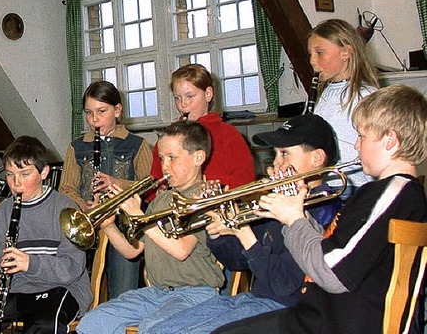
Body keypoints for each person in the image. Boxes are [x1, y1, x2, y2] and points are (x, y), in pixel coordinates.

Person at [213, 84, 427, 334]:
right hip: (327, 317)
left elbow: (333, 273)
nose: (356, 146)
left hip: (336, 323)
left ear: (390, 140)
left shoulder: (387, 195)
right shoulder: (402, 195)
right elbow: (332, 251)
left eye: (362, 136)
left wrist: (294, 220)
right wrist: (298, 213)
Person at [145, 114, 341, 334]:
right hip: (252, 299)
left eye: (285, 153)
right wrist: (218, 231)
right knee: (157, 330)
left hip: (287, 309)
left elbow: (282, 284)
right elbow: (237, 261)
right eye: (275, 154)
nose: (275, 163)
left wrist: (244, 233)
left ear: (317, 159)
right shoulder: (277, 202)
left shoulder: (323, 212)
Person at [76, 120, 225, 334]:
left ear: (198, 157)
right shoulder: (160, 201)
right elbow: (132, 251)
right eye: (162, 158)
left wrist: (138, 216)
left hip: (196, 294)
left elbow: (181, 250)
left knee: (153, 328)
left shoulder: (204, 198)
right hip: (156, 293)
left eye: (172, 158)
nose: (164, 166)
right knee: (92, 322)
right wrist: (109, 227)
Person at [0, 136, 91, 334]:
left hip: (60, 288)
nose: (16, 183)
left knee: (44, 325)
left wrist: (30, 263)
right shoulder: (2, 212)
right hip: (15, 290)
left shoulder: (65, 209)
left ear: (44, 172)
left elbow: (72, 268)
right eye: (10, 175)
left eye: (25, 174)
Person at [59, 81, 153, 298]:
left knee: (122, 292)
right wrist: (86, 207)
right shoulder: (77, 147)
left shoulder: (136, 145)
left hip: (124, 229)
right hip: (86, 226)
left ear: (117, 110)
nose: (94, 120)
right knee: (78, 289)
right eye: (89, 113)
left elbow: (150, 186)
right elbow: (66, 188)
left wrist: (116, 184)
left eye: (102, 111)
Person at [150, 64, 254, 189]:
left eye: (190, 96)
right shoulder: (169, 137)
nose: (183, 104)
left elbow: (246, 179)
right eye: (177, 98)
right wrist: (158, 191)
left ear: (208, 94)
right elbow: (156, 178)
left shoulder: (228, 134)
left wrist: (214, 184)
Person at [308, 18, 380, 200]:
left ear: (346, 53)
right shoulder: (323, 94)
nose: (312, 61)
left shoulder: (366, 96)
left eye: (319, 53)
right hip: (327, 184)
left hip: (352, 188)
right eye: (310, 54)